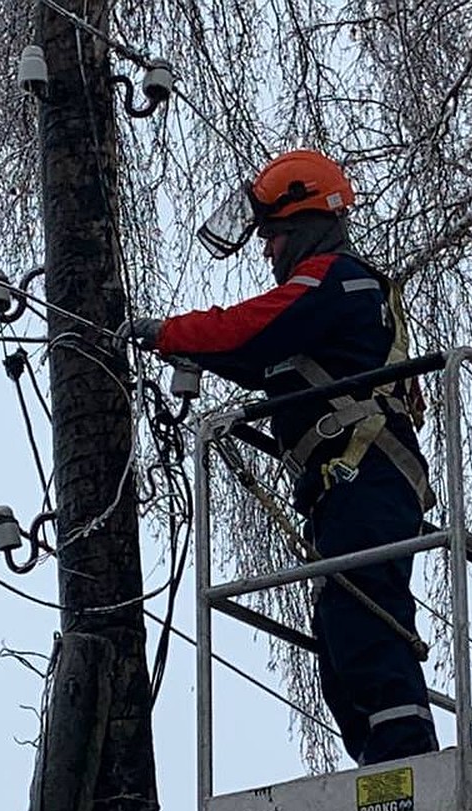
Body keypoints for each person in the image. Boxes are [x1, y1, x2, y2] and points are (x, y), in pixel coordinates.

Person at [124, 149, 438, 766]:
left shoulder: (338, 281)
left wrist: (165, 332)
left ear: (309, 225)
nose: (267, 250)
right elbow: (251, 355)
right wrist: (179, 350)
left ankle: (409, 768)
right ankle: (383, 769)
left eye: (274, 235)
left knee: (364, 627)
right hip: (345, 487)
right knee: (341, 641)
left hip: (366, 476)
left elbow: (248, 330)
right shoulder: (331, 302)